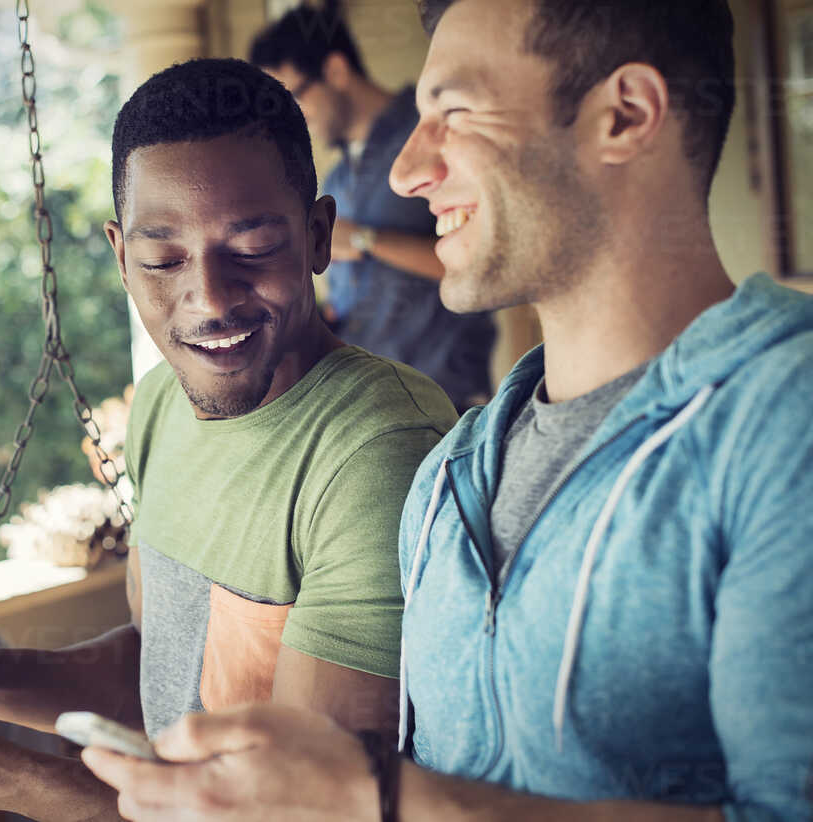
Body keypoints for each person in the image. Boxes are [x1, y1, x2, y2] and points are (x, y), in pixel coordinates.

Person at [80, 1, 813, 821]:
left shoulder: (786, 424)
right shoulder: (449, 477)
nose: (406, 170)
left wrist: (377, 798)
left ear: (623, 115)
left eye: (453, 113)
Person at [0, 58, 457, 819]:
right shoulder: (164, 407)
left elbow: (298, 813)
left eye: (251, 248)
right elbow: (160, 673)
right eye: (163, 259)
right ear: (119, 256)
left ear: (315, 236)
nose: (208, 298)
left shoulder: (375, 453)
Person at [250, 2, 495, 411]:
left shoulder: (429, 135)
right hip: (374, 403)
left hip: (444, 399)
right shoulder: (337, 181)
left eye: (294, 98)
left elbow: (484, 260)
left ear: (336, 71)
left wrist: (367, 239)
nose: (290, 119)